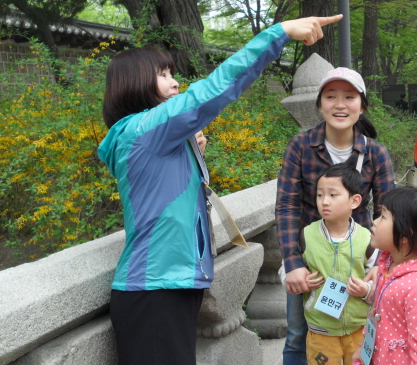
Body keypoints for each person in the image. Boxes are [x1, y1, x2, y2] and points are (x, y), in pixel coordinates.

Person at [97, 15, 343, 365]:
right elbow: (216, 87)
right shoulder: (145, 129)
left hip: (169, 285)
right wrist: (280, 33)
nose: (176, 82)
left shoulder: (149, 135)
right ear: (134, 81)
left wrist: (189, 148)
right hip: (155, 290)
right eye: (164, 75)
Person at [277, 66, 396, 365]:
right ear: (319, 104)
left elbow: (388, 212)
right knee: (297, 336)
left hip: (358, 258)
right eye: (331, 96)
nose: (340, 104)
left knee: (360, 332)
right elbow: (288, 205)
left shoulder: (375, 154)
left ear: (362, 105)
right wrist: (293, 264)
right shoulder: (301, 146)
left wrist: (381, 264)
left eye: (349, 96)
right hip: (310, 260)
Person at [351, 187, 417, 365]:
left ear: (404, 235)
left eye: (383, 217)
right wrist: (364, 347)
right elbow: (377, 314)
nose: (375, 222)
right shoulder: (388, 266)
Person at [295, 164, 376, 365]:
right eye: (320, 195)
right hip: (321, 330)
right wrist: (300, 281)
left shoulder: (367, 239)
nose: (324, 202)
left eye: (333, 195)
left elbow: (379, 279)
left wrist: (366, 290)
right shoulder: (306, 235)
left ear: (354, 201)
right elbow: (287, 269)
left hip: (360, 329)